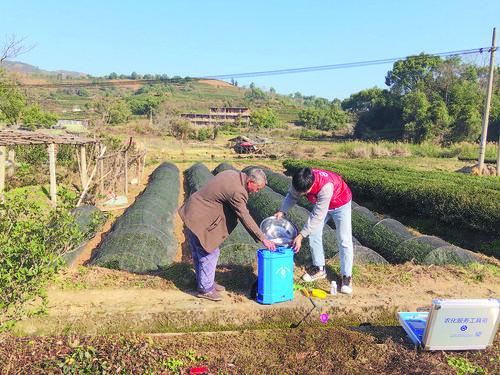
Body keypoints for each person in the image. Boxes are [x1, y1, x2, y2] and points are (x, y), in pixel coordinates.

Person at [179, 168, 275, 301]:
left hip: (195, 211)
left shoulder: (231, 174)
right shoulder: (238, 191)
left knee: (199, 251)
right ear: (250, 182)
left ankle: (205, 282)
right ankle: (205, 289)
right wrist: (263, 238)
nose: (256, 191)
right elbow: (244, 216)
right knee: (210, 252)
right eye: (257, 188)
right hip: (199, 218)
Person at [275, 167, 353, 294]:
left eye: (303, 193)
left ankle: (347, 277)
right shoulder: (300, 180)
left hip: (340, 203)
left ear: (311, 186)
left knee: (344, 239)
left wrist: (301, 235)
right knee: (314, 233)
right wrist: (282, 210)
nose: (300, 195)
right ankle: (319, 268)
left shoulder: (325, 187)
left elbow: (317, 216)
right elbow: (291, 196)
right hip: (322, 204)